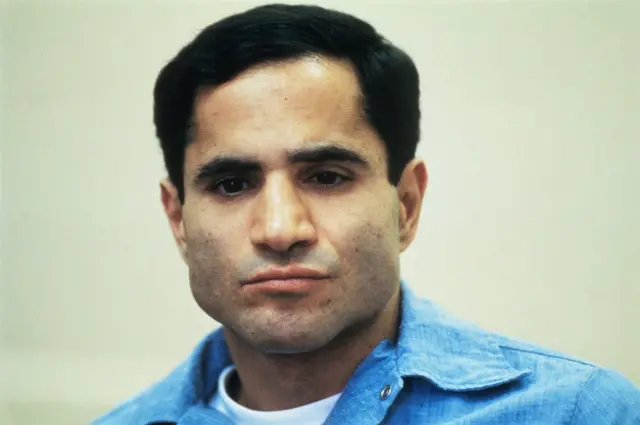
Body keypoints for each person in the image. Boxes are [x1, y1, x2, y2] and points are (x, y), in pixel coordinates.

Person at [94, 4, 640, 424]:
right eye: (231, 184)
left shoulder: (581, 413)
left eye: (327, 177)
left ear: (406, 204)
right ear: (178, 220)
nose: (280, 230)